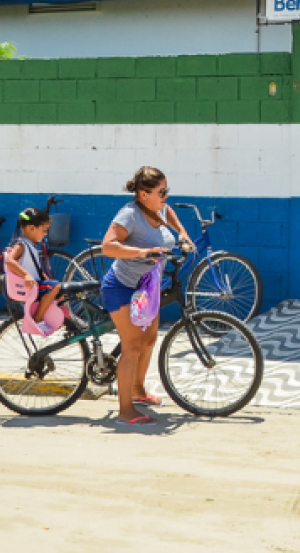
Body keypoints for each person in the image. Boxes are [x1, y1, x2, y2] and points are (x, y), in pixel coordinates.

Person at [101, 166, 193, 426]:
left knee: (149, 340)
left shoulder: (158, 208)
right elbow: (108, 246)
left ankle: (137, 391)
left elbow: (169, 211)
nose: (166, 195)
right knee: (132, 346)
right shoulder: (130, 215)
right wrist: (143, 252)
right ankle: (125, 411)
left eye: (166, 190)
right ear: (144, 194)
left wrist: (182, 232)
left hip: (147, 289)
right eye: (162, 191)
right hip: (122, 287)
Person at [3, 208, 61, 335]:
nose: (45, 234)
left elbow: (35, 269)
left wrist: (45, 278)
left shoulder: (31, 246)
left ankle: (53, 316)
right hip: (30, 286)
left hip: (35, 284)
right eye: (44, 230)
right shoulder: (21, 245)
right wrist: (26, 275)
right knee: (56, 286)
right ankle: (38, 318)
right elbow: (9, 261)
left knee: (62, 292)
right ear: (31, 228)